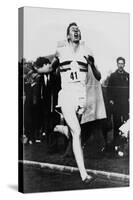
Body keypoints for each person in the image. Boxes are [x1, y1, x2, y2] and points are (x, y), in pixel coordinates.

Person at [34, 22, 106, 183]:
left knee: (75, 133)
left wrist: (92, 64)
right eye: (73, 30)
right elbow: (51, 69)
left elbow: (99, 76)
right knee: (78, 132)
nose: (77, 31)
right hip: (66, 95)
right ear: (68, 35)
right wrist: (37, 70)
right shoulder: (60, 51)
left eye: (78, 30)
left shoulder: (87, 52)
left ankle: (61, 128)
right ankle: (84, 175)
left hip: (82, 97)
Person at [107, 57, 129, 149]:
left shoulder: (128, 75)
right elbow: (109, 89)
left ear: (124, 64)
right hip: (116, 103)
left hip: (125, 103)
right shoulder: (113, 76)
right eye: (119, 63)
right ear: (117, 64)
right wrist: (111, 99)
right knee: (116, 123)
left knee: (126, 122)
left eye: (122, 63)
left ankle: (125, 143)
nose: (121, 65)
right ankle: (116, 143)